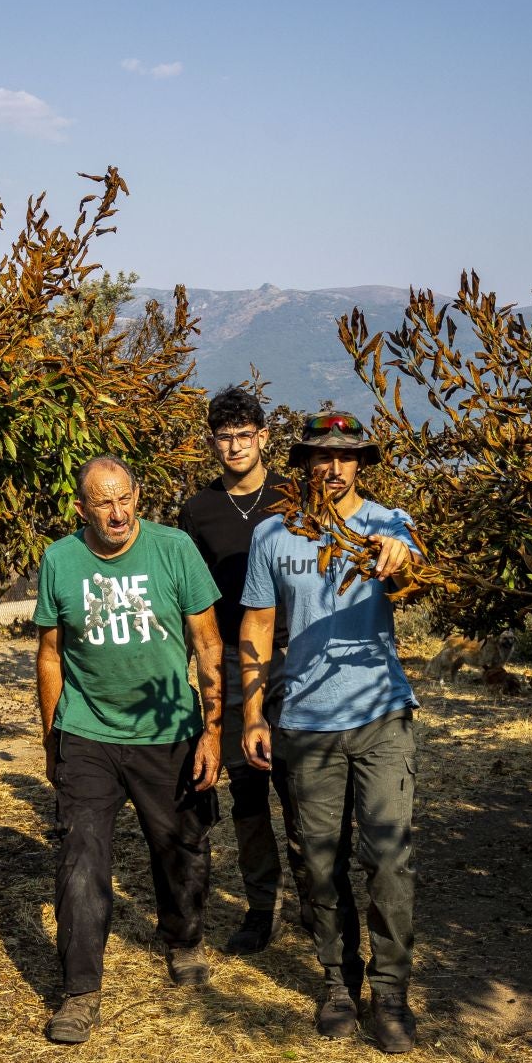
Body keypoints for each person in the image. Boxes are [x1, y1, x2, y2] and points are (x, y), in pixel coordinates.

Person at [240, 412, 422, 1054]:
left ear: (361, 464)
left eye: (347, 456)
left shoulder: (387, 524)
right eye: (323, 455)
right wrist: (254, 714)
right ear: (304, 463)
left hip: (381, 716)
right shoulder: (272, 534)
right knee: (319, 863)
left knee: (389, 860)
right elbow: (258, 626)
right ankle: (337, 981)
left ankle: (391, 991)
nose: (335, 467)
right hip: (306, 723)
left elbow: (408, 572)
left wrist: (397, 558)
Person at [34, 455, 225, 1044]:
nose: (117, 514)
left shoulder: (175, 550)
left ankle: (184, 938)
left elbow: (208, 643)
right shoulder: (60, 559)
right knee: (81, 859)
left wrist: (212, 730)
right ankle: (80, 992)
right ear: (81, 508)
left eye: (124, 499)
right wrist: (53, 741)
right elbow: (49, 655)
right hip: (87, 731)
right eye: (103, 503)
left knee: (182, 848)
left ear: (137, 496)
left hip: (167, 729)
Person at [176, 385, 322, 955]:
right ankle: (262, 908)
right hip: (234, 664)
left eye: (244, 435)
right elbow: (193, 599)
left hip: (298, 657)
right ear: (212, 442)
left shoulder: (296, 497)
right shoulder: (199, 511)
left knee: (303, 787)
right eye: (224, 437)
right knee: (249, 790)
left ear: (263, 437)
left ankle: (315, 903)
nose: (235, 446)